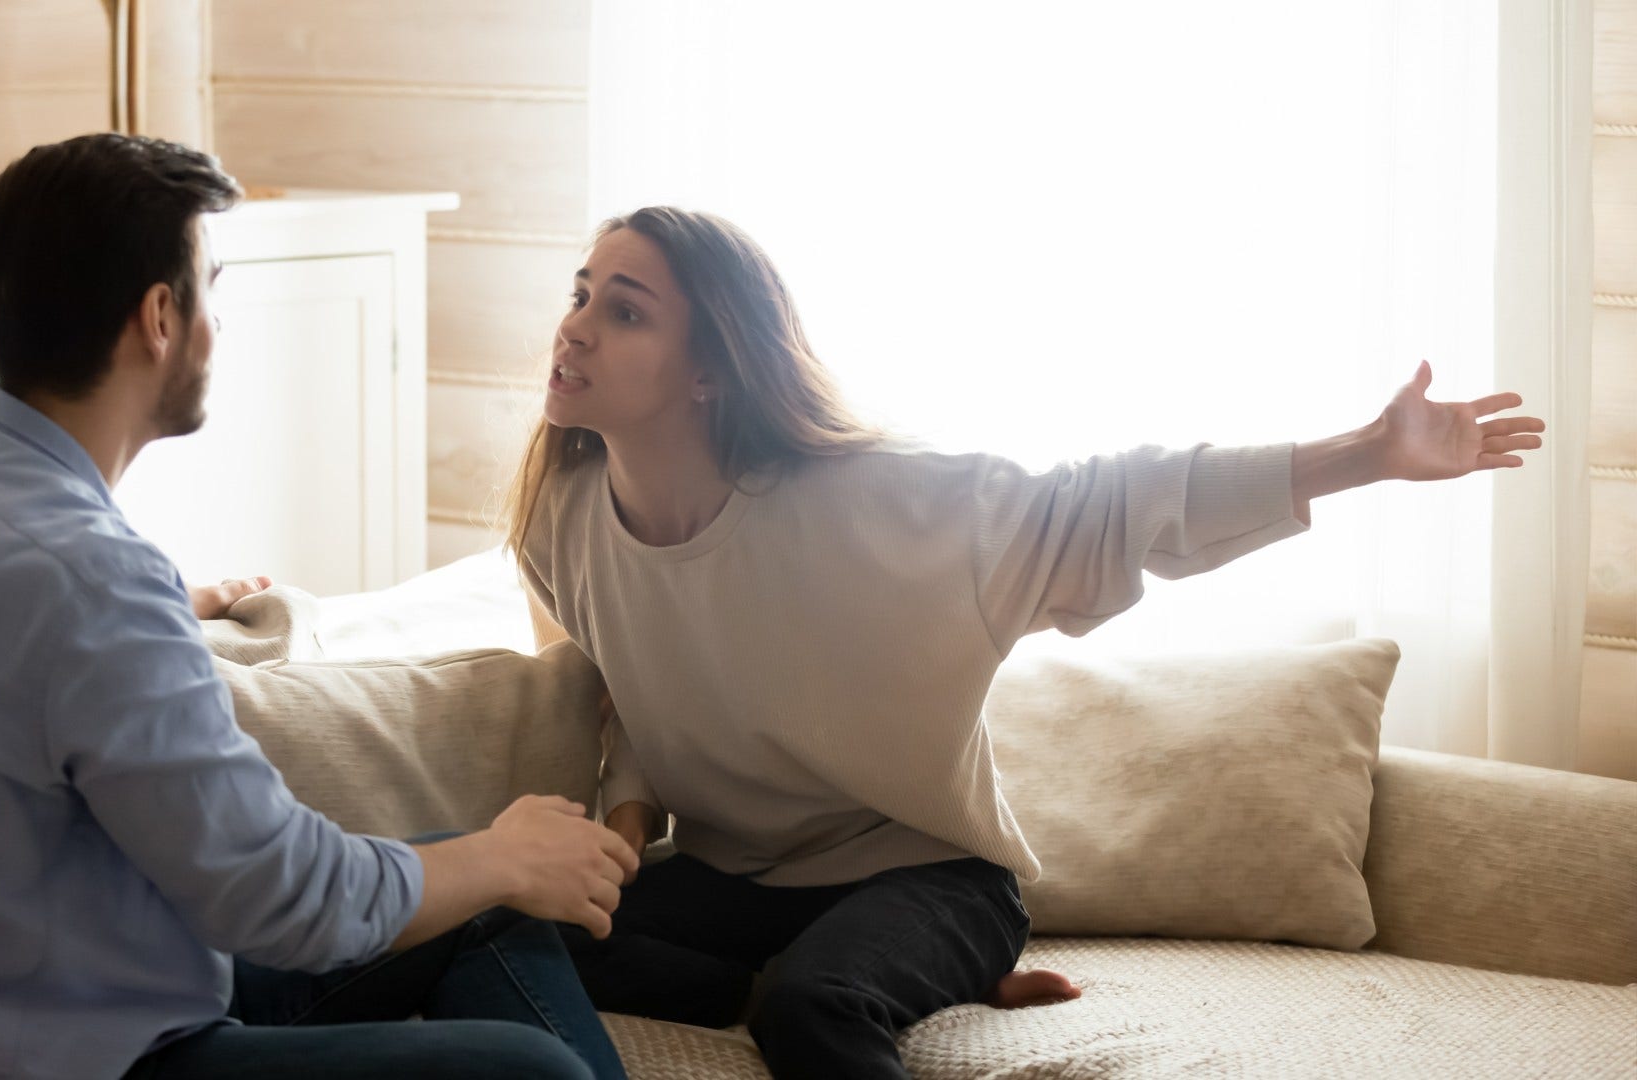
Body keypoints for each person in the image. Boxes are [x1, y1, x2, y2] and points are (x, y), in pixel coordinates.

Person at [502, 206, 1546, 1080]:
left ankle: (882, 965)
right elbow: (625, 691)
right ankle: (874, 974)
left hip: (923, 878)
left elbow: (1112, 502)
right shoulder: (561, 517)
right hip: (737, 885)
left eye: (626, 311)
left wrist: (1367, 452)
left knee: (811, 1012)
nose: (578, 328)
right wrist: (626, 830)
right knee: (513, 934)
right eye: (581, 294)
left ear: (710, 373)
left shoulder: (875, 508)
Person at [0, 133, 634, 1080]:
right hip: (67, 1058)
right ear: (159, 317)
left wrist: (165, 606)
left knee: (469, 884)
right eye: (212, 288)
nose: (217, 325)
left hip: (17, 999)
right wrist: (506, 857)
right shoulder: (89, 583)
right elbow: (283, 895)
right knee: (532, 1062)